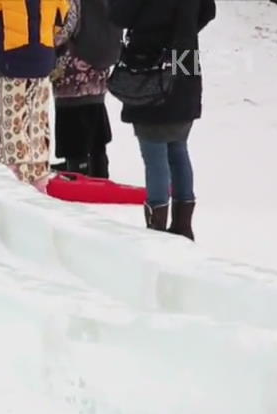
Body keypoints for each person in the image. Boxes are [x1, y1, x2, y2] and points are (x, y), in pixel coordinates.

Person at [109, 0, 216, 240]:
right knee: (178, 148)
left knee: (154, 152)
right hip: (185, 59)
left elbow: (119, 15)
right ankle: (183, 225)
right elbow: (209, 11)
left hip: (149, 63)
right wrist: (183, 33)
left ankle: (157, 227)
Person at [0, 0, 71, 189]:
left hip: (10, 63)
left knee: (9, 126)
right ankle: (38, 180)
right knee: (37, 124)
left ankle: (12, 181)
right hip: (43, 62)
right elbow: (62, 21)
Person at [51, 0, 121, 178]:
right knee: (95, 124)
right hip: (99, 71)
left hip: (73, 71)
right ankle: (100, 167)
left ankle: (78, 167)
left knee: (72, 124)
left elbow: (64, 28)